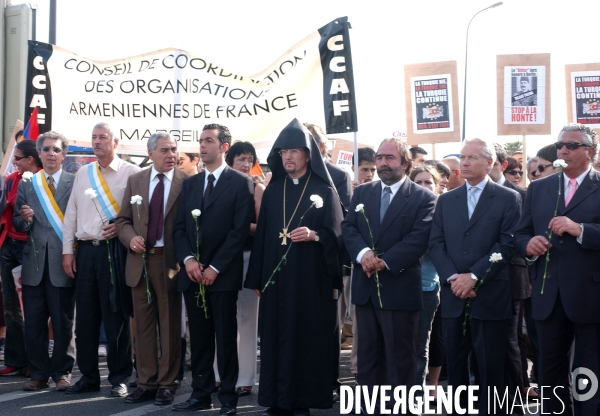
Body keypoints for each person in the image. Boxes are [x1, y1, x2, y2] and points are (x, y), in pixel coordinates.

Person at [245, 119, 344, 416]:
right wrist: (259, 277)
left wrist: (315, 236)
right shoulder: (273, 190)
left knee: (305, 338)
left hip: (310, 281)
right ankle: (277, 399)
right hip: (277, 282)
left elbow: (339, 237)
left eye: (294, 151)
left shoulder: (324, 190)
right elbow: (262, 236)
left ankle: (301, 400)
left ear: (308, 155)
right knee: (276, 338)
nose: (288, 157)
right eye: (283, 151)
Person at [342, 138, 436, 414]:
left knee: (399, 359)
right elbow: (348, 228)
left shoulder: (423, 197)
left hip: (399, 286)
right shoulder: (362, 193)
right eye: (380, 157)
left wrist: (383, 261)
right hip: (366, 286)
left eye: (390, 158)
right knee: (368, 357)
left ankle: (401, 409)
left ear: (405, 163)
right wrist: (362, 255)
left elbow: (419, 239)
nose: (383, 162)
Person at [429, 138, 521, 414]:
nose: (464, 162)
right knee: (455, 366)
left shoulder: (508, 198)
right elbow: (436, 244)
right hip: (454, 295)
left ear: (489, 162)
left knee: (490, 367)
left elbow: (506, 245)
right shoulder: (446, 201)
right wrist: (454, 279)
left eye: (471, 157)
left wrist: (475, 277)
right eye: (462, 157)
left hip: (490, 294)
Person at [514, 124, 600, 415]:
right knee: (549, 367)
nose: (563, 149)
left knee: (589, 366)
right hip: (547, 292)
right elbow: (520, 233)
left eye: (572, 145)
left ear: (590, 151)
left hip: (590, 293)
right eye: (561, 144)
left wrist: (582, 230)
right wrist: (529, 245)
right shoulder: (539, 188)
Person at [172, 123, 254, 415]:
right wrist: (189, 261)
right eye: (200, 140)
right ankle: (200, 394)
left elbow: (238, 231)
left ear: (224, 147)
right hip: (193, 275)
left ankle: (228, 399)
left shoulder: (241, 183)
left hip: (222, 276)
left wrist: (215, 267)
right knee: (201, 337)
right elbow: (179, 228)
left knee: (224, 337)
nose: (202, 146)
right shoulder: (191, 184)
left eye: (208, 141)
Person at [62, 122, 140, 396]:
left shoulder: (132, 173)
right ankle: (88, 376)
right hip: (86, 251)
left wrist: (121, 228)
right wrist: (67, 250)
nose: (97, 142)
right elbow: (71, 213)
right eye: (94, 137)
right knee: (85, 316)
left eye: (103, 137)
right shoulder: (83, 172)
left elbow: (138, 215)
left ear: (115, 142)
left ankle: (119, 377)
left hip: (115, 251)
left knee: (116, 313)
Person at [115, 132, 187, 405]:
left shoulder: (186, 182)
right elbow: (122, 220)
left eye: (174, 149)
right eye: (165, 150)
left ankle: (168, 383)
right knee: (143, 326)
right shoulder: (136, 180)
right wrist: (130, 237)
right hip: (140, 261)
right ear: (151, 154)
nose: (171, 154)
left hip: (170, 263)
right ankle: (146, 382)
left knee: (169, 326)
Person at [13, 131, 75, 391]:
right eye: (46, 149)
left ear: (63, 154)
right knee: (35, 323)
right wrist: (25, 219)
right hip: (34, 264)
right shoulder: (28, 184)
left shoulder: (75, 182)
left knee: (63, 323)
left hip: (63, 261)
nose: (51, 153)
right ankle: (37, 374)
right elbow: (17, 222)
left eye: (56, 149)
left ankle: (62, 373)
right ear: (38, 154)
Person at [223, 141, 265, 396]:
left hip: (248, 257)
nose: (247, 164)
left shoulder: (257, 188)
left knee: (248, 319)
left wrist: (236, 225)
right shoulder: (219, 185)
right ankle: (220, 374)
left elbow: (261, 227)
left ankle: (245, 378)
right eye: (241, 158)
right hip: (221, 261)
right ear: (230, 160)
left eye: (250, 159)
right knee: (222, 318)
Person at [0, 138, 40, 376]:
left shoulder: (42, 181)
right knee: (10, 307)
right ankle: (15, 359)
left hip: (30, 248)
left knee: (32, 306)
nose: (13, 162)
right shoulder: (11, 180)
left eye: (17, 158)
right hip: (9, 246)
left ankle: (34, 361)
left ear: (30, 160)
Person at [408, 165, 443, 396]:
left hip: (427, 288)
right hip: (398, 286)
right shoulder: (401, 209)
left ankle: (415, 397)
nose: (423, 187)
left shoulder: (443, 211)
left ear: (438, 185)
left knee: (419, 346)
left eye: (428, 182)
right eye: (418, 182)